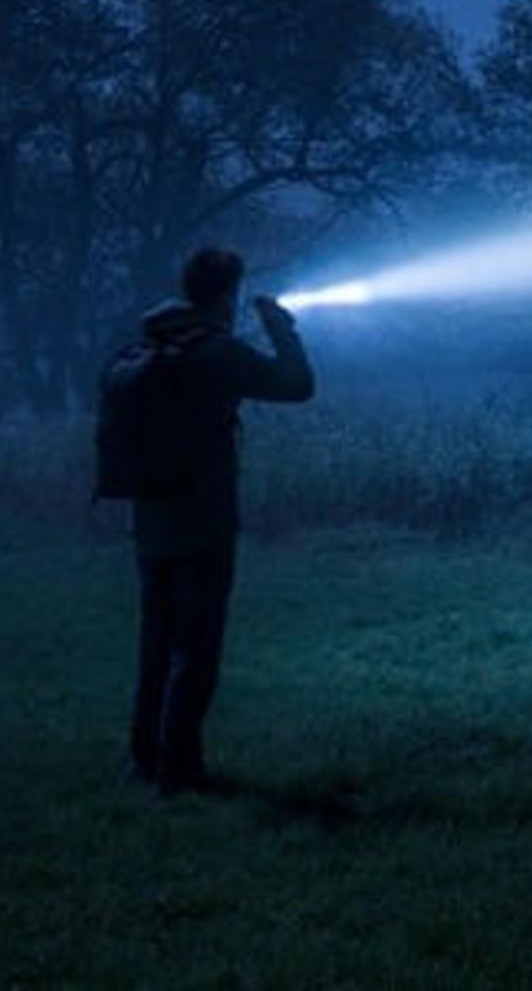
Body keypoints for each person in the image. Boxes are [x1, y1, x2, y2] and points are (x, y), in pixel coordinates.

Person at [125, 244, 315, 796]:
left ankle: (144, 760)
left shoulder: (154, 338)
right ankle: (180, 770)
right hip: (201, 521)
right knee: (196, 650)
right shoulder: (217, 351)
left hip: (150, 520)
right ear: (229, 294)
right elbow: (297, 386)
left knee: (156, 645)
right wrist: (281, 328)